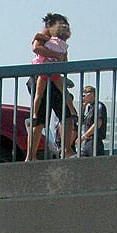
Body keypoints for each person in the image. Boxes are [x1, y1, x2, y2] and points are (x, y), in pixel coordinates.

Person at [25, 13, 76, 161]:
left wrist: (61, 58)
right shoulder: (43, 34)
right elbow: (36, 48)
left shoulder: (61, 41)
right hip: (40, 75)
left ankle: (66, 150)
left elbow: (64, 58)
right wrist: (56, 54)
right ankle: (31, 156)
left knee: (66, 114)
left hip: (54, 76)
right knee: (40, 118)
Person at [78, 85, 108, 156]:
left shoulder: (99, 106)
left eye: (84, 95)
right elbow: (80, 122)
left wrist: (84, 136)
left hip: (95, 141)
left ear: (91, 94)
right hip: (87, 142)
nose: (83, 97)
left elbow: (98, 123)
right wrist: (83, 107)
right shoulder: (89, 108)